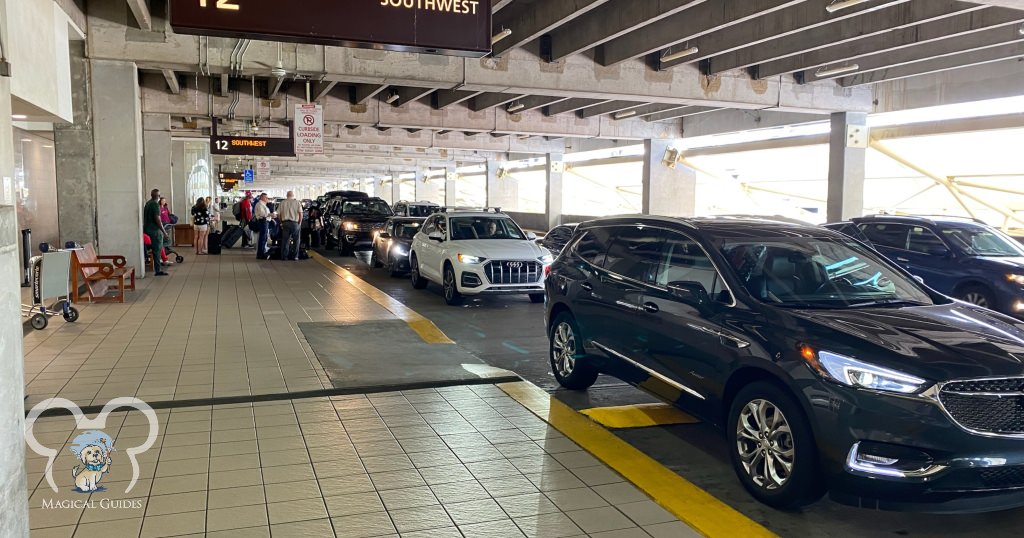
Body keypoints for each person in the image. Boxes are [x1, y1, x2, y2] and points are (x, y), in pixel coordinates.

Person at [143, 189, 168, 276]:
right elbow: (158, 219)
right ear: (158, 196)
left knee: (152, 250)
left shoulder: (148, 203)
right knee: (157, 250)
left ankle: (154, 267)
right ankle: (158, 270)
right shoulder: (155, 205)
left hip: (146, 230)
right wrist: (164, 232)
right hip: (155, 231)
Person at [277, 191, 303, 261]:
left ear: (286, 195)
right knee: (296, 240)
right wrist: (299, 223)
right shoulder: (297, 202)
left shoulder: (282, 203)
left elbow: (278, 214)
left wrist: (281, 222)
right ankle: (295, 256)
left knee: (285, 241)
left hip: (285, 223)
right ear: (293, 195)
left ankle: (284, 257)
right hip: (295, 223)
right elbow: (300, 214)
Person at [253, 192, 271, 259]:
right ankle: (260, 254)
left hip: (265, 221)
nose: (267, 198)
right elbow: (262, 214)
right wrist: (270, 215)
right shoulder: (259, 204)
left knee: (264, 238)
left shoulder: (263, 204)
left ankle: (262, 252)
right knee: (262, 238)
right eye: (266, 197)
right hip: (262, 221)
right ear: (262, 197)